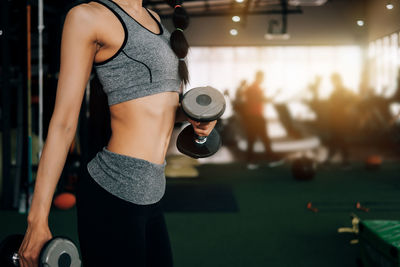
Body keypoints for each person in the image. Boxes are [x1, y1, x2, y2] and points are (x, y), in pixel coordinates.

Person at [17, 1, 216, 266]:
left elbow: (159, 105)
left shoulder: (154, 18)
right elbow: (64, 122)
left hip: (153, 191)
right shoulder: (88, 16)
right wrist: (37, 219)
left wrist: (191, 116)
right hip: (113, 191)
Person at [241, 71, 281, 167]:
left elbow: (252, 98)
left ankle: (251, 161)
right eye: (262, 78)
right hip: (256, 117)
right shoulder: (255, 88)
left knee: (253, 138)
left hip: (251, 117)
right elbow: (263, 100)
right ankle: (271, 159)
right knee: (263, 138)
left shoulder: (252, 88)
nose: (263, 80)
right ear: (258, 77)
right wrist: (276, 93)